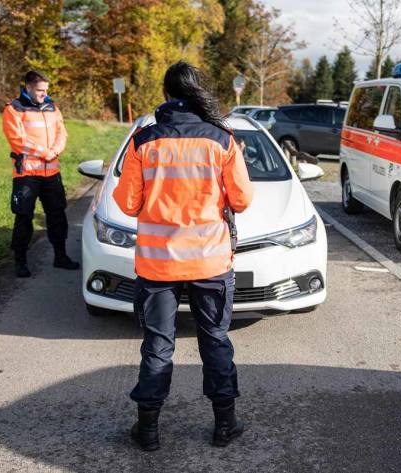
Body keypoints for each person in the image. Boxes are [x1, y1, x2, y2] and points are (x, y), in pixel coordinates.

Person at [113, 61, 254, 451]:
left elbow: (127, 203)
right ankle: (224, 426)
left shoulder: (144, 141)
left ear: (166, 94)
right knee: (215, 340)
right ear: (196, 92)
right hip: (210, 261)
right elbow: (242, 199)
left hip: (158, 264)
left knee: (158, 344)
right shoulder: (223, 140)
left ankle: (148, 431)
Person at [2, 70, 80, 277]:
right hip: (27, 173)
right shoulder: (14, 109)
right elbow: (17, 140)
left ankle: (60, 257)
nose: (43, 94)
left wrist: (55, 151)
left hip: (51, 172)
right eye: (39, 90)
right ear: (27, 87)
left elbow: (62, 132)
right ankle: (20, 261)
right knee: (24, 216)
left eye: (46, 90)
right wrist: (45, 153)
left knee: (57, 214)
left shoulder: (52, 107)